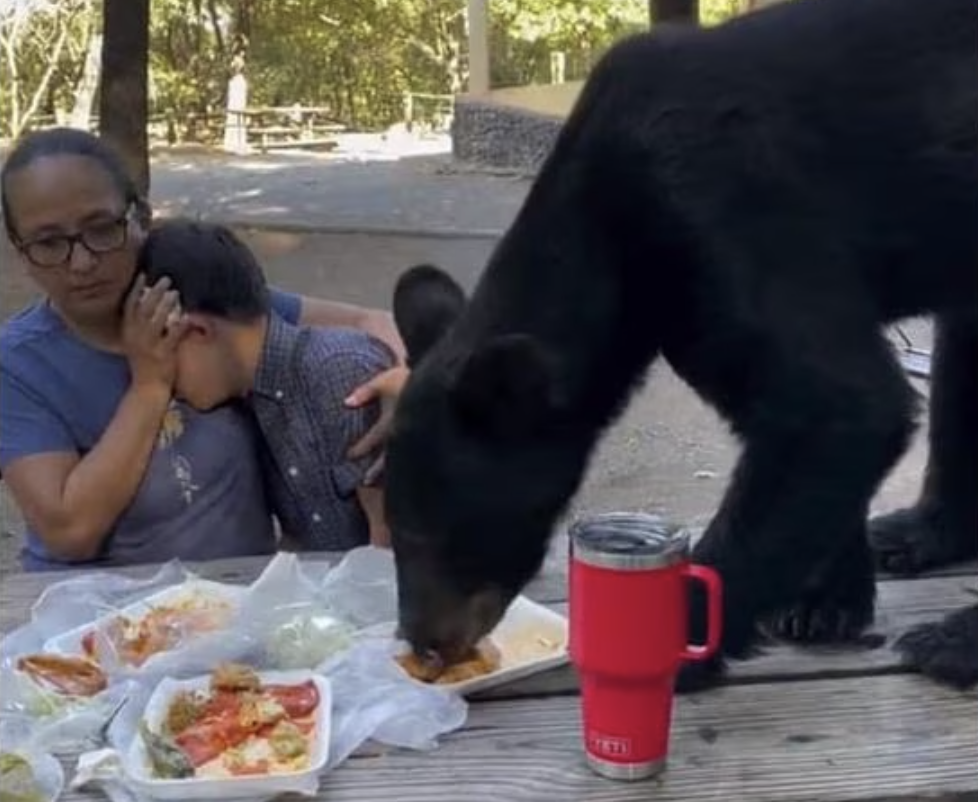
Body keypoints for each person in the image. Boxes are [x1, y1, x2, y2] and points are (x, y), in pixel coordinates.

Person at [0, 127, 408, 571]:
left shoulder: (193, 299)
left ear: (141, 218)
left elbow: (368, 321)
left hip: (236, 603)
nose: (81, 263)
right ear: (21, 252)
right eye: (48, 243)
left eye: (101, 229)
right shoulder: (19, 366)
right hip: (96, 616)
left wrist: (411, 380)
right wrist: (149, 387)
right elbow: (68, 533)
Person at [138, 219, 393, 550]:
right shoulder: (253, 399)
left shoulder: (340, 372)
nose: (164, 380)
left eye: (160, 352)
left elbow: (386, 550)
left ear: (196, 331)